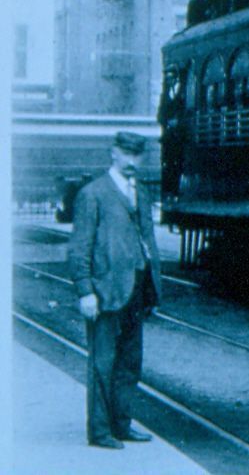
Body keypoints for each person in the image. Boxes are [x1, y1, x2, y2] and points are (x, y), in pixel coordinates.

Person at [67, 130, 162, 449]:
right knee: (103, 362)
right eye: (127, 153)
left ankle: (122, 425)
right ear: (114, 153)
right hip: (105, 291)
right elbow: (79, 247)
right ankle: (100, 431)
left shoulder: (141, 193)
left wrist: (153, 287)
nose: (132, 160)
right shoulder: (92, 193)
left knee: (130, 362)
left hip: (136, 290)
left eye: (137, 155)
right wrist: (85, 291)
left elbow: (147, 241)